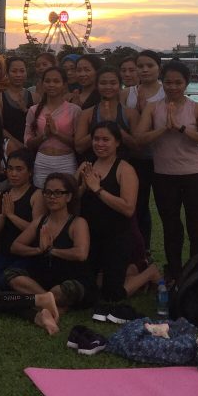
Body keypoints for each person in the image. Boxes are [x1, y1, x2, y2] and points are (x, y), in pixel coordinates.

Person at [134, 60, 198, 283]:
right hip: (164, 175)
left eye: (178, 82)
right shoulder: (153, 108)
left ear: (186, 83)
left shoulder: (197, 108)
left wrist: (181, 128)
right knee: (171, 226)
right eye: (168, 82)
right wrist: (163, 128)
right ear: (163, 82)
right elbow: (139, 140)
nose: (172, 87)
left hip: (195, 174)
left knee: (196, 226)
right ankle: (174, 273)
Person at [77, 122, 139, 322]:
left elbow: (128, 209)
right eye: (96, 139)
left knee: (112, 295)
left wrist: (98, 189)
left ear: (117, 142)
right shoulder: (86, 166)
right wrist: (83, 186)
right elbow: (71, 200)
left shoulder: (125, 169)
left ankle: (148, 273)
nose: (100, 144)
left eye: (106, 139)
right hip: (89, 236)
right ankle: (124, 269)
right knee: (86, 292)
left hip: (116, 235)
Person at [7, 173, 94, 311]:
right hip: (44, 278)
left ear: (69, 197)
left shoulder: (78, 223)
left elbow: (81, 254)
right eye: (48, 192)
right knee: (12, 276)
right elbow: (15, 246)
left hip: (71, 278)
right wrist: (37, 250)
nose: (52, 197)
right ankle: (51, 303)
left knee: (63, 290)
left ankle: (44, 302)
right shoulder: (40, 221)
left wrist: (51, 250)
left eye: (58, 193)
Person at [0, 150, 42, 288]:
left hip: (27, 254)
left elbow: (37, 232)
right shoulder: (1, 196)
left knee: (4, 280)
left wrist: (12, 216)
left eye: (19, 169)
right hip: (5, 253)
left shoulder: (37, 195)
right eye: (10, 169)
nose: (13, 174)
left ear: (30, 172)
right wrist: (2, 215)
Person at [125, 49, 164, 251]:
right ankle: (141, 249)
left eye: (150, 65)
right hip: (136, 157)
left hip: (163, 158)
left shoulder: (167, 91)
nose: (145, 69)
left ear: (159, 68)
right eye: (140, 66)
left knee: (166, 208)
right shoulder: (128, 92)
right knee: (138, 206)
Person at [24, 67, 81, 186]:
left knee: (66, 198)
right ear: (42, 84)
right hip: (42, 161)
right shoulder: (33, 110)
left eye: (56, 81)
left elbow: (78, 144)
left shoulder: (74, 110)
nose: (51, 85)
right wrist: (44, 136)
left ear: (64, 85)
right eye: (48, 81)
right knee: (41, 197)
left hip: (66, 161)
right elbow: (28, 142)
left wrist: (56, 133)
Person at [74, 66, 138, 157]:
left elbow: (137, 146)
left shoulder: (130, 113)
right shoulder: (87, 114)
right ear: (96, 86)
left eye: (113, 83)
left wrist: (115, 126)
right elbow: (79, 148)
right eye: (103, 83)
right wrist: (102, 124)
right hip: (93, 166)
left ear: (120, 85)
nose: (108, 87)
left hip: (123, 166)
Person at [0, 56, 32, 151]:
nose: (18, 75)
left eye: (22, 71)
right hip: (9, 148)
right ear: (7, 73)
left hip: (32, 146)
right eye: (14, 71)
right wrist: (19, 145)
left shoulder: (35, 97)